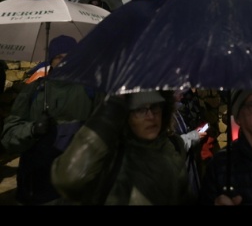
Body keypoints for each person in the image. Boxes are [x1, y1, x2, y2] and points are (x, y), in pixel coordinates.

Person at [1, 35, 100, 205]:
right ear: (51, 60)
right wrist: (32, 129)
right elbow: (8, 135)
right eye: (59, 56)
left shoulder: (91, 90)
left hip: (77, 183)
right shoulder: (33, 91)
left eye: (69, 56)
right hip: (37, 185)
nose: (64, 61)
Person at [51, 91, 195, 205]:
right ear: (125, 114)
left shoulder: (173, 151)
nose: (150, 116)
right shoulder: (108, 155)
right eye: (140, 109)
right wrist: (111, 109)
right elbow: (69, 177)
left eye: (155, 106)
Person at [172, 89, 207, 198]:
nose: (182, 94)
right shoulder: (167, 115)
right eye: (178, 91)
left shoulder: (177, 111)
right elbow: (176, 144)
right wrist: (197, 134)